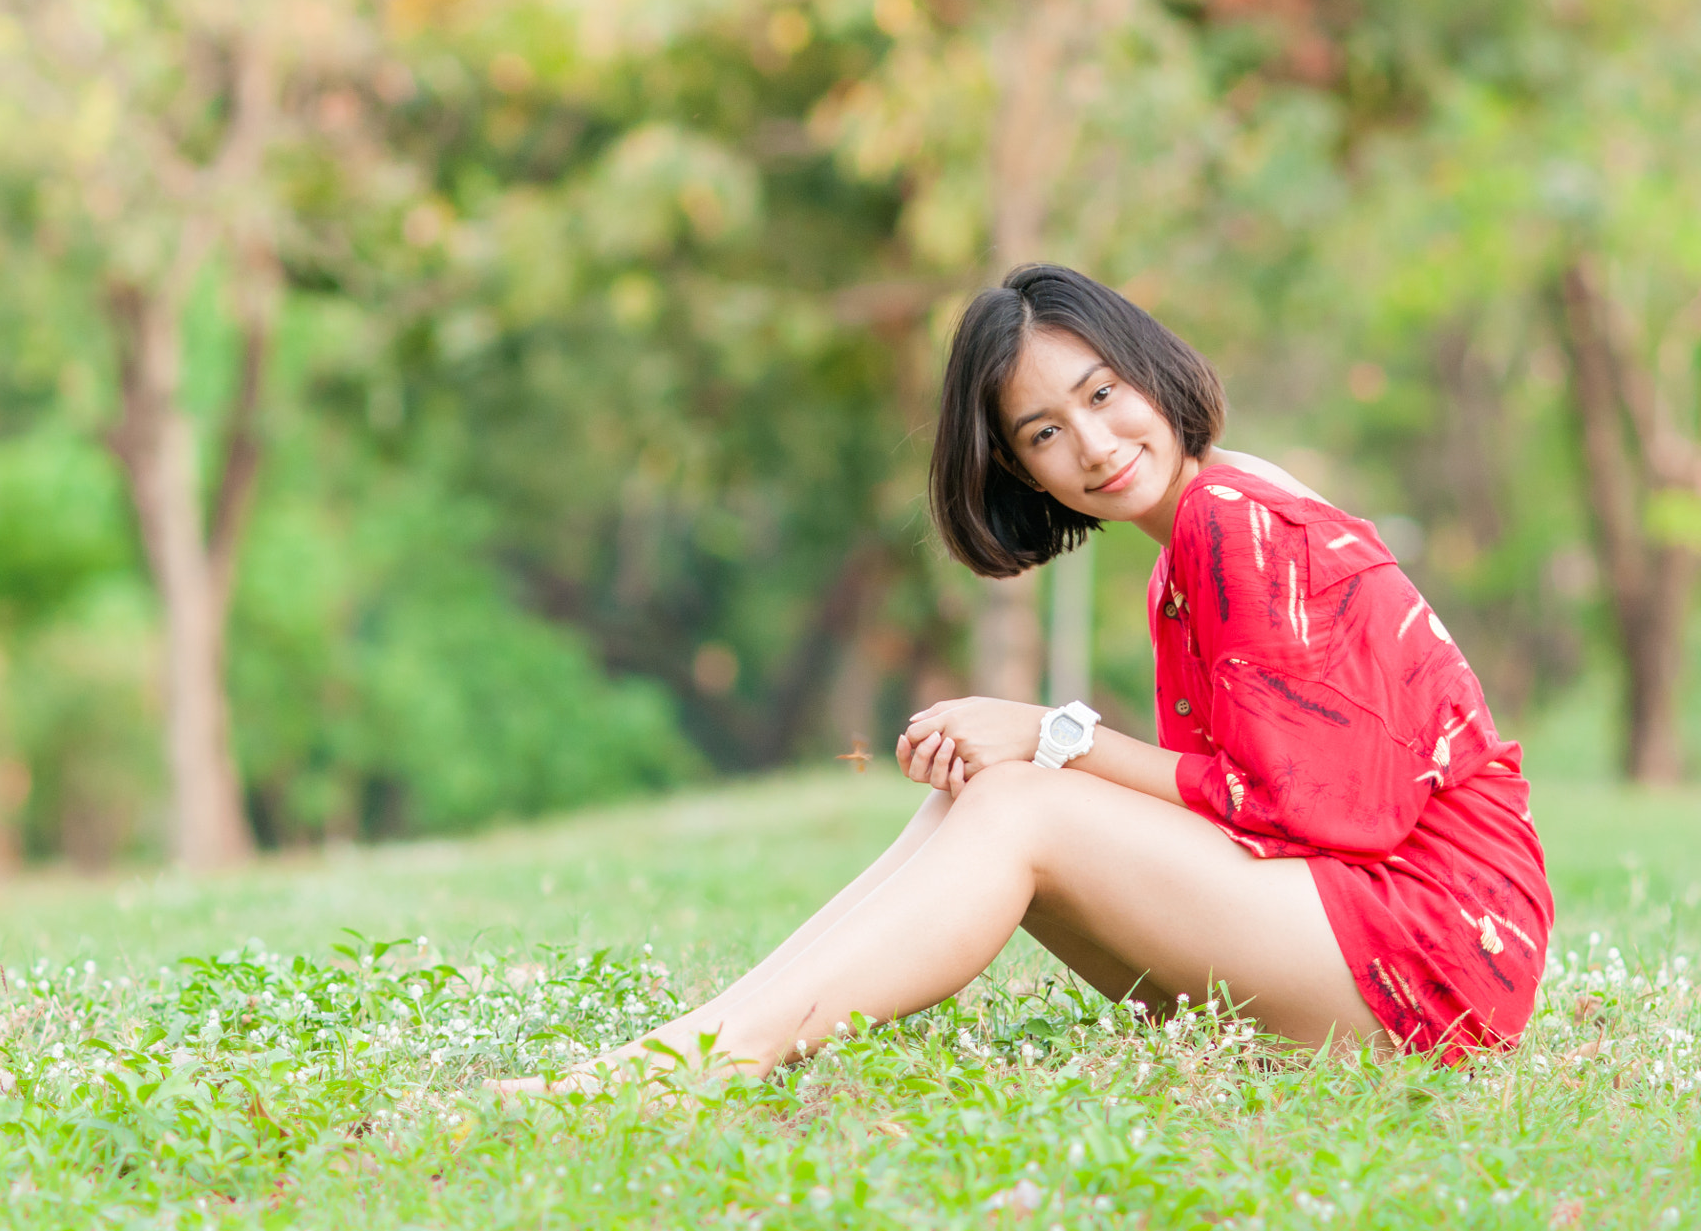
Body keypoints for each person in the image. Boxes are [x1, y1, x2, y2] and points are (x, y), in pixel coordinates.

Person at [493, 263, 1552, 1092]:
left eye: (1101, 393)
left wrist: (1058, 735)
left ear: (1148, 368)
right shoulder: (1191, 540)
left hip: (1440, 950)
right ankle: (702, 1041)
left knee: (1025, 807)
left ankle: (710, 1061)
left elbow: (1323, 810)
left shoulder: (1231, 520)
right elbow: (1246, 797)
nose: (1092, 444)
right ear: (1017, 468)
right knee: (990, 792)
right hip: (1377, 935)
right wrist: (1029, 750)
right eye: (1043, 432)